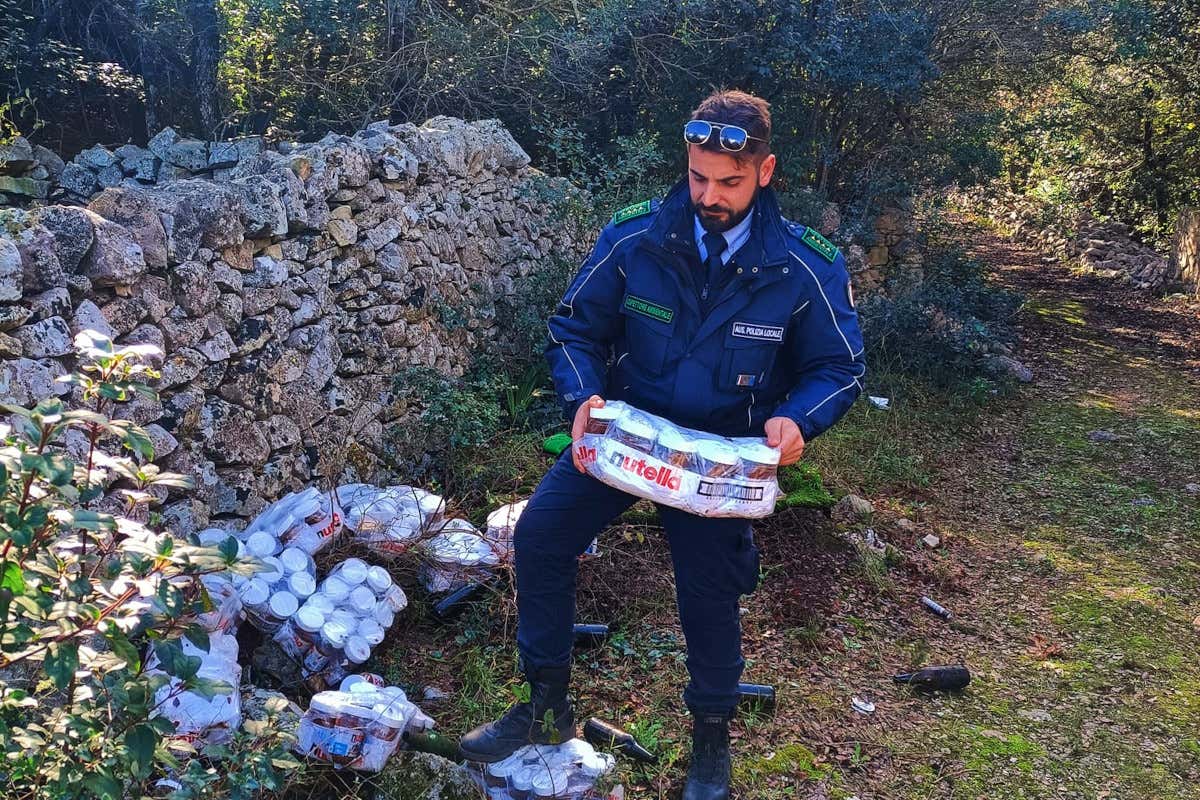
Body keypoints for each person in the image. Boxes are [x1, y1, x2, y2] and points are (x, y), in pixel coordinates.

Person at [459, 89, 866, 799]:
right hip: (627, 434)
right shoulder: (635, 237)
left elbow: (839, 368)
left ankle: (710, 741)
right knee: (542, 536)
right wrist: (582, 395)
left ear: (764, 173)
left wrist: (799, 420)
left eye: (729, 183)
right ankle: (545, 703)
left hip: (721, 456)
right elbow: (573, 328)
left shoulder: (804, 265)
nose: (709, 196)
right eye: (698, 177)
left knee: (707, 593)